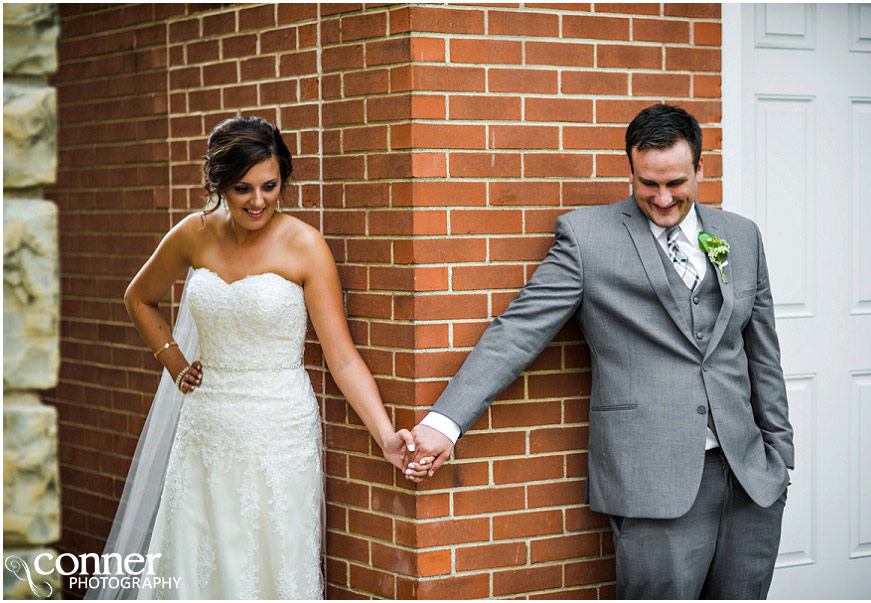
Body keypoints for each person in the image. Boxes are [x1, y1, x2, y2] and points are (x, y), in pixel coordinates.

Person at [407, 104, 793, 598]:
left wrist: (780, 457)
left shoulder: (741, 235)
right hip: (654, 482)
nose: (662, 198)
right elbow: (519, 331)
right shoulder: (587, 238)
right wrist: (443, 424)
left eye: (675, 183)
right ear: (630, 170)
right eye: (647, 184)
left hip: (751, 481)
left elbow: (763, 354)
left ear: (701, 167)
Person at [87, 116, 431, 600]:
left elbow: (343, 357)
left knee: (270, 567)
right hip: (205, 428)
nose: (257, 201)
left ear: (283, 180)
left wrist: (384, 436)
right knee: (192, 562)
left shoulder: (305, 245)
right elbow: (138, 298)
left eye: (269, 186)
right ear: (220, 184)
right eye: (242, 188)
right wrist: (174, 361)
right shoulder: (193, 233)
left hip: (278, 432)